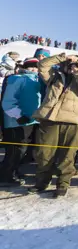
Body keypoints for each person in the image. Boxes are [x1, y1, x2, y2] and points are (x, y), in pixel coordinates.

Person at [29, 53, 78, 197]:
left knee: (67, 154)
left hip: (71, 121)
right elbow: (42, 65)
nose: (69, 67)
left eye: (72, 64)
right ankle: (41, 182)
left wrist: (77, 70)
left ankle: (62, 184)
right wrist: (63, 57)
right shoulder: (54, 77)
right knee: (44, 153)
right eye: (67, 64)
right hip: (50, 119)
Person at [0, 58, 41, 186]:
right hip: (16, 121)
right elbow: (7, 101)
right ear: (25, 67)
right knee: (15, 149)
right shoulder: (17, 79)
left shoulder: (38, 80)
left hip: (30, 121)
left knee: (22, 150)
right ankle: (5, 176)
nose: (34, 69)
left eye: (36, 67)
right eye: (31, 67)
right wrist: (18, 116)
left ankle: (13, 171)